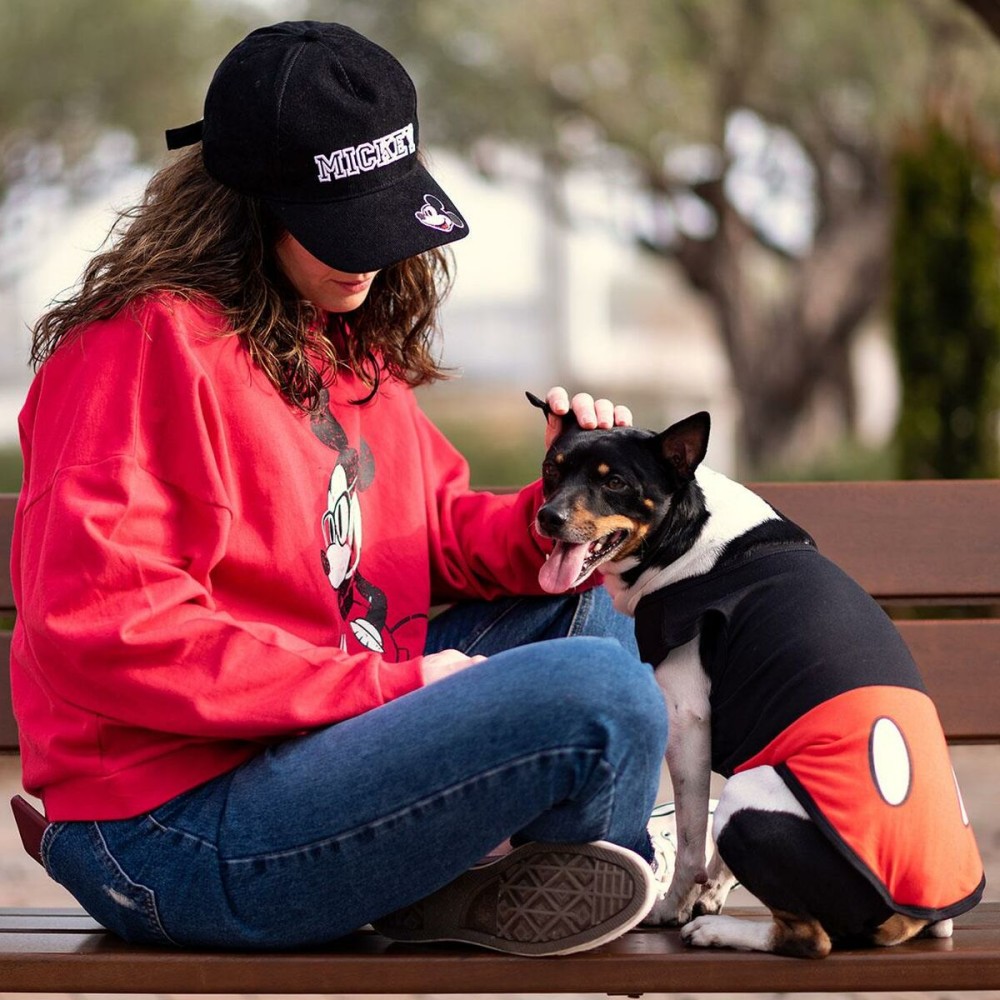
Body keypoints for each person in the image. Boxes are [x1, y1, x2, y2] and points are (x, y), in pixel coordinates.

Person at [10, 21, 668, 955]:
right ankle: (552, 885)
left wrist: (559, 513)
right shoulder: (135, 348)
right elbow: (107, 633)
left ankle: (508, 888)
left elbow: (425, 534)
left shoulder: (337, 337)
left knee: (593, 616)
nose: (365, 256)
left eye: (383, 218)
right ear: (245, 206)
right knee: (602, 695)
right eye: (336, 225)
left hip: (305, 752)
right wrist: (384, 689)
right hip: (172, 827)